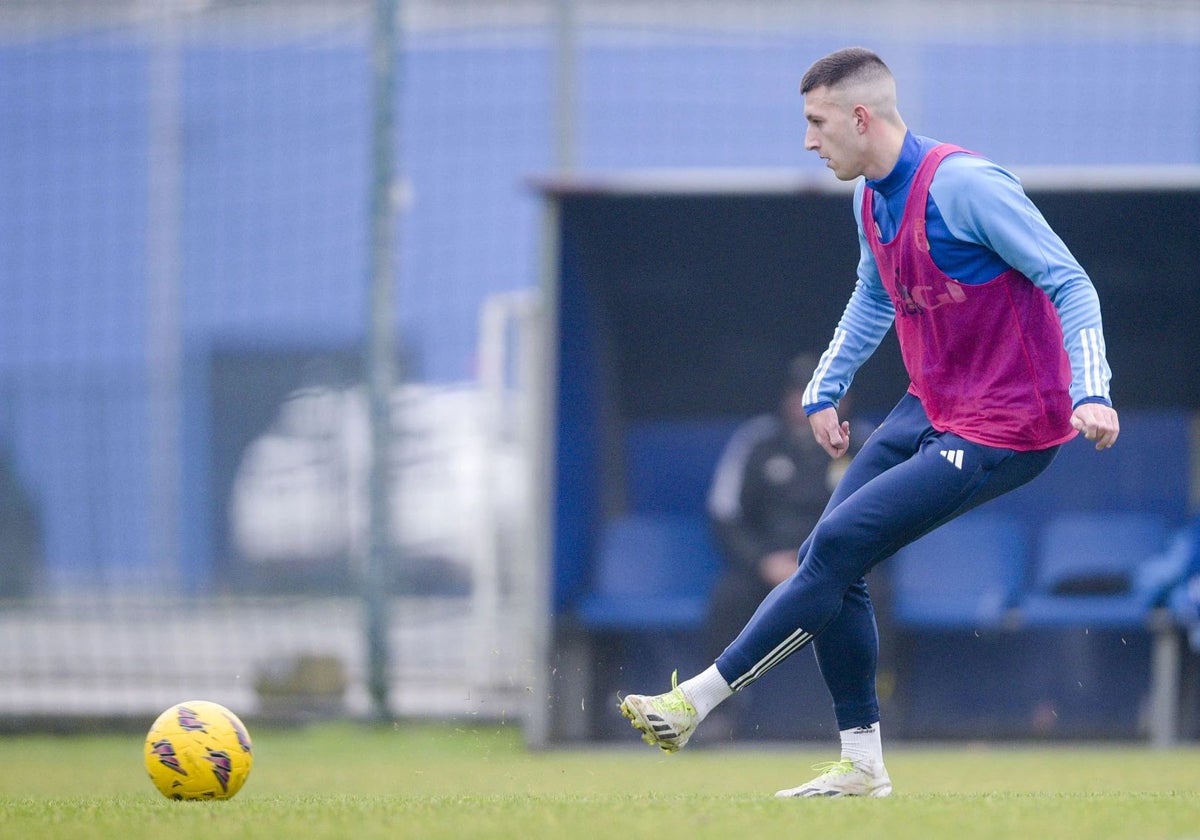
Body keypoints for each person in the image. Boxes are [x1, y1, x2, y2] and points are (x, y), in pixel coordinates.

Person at [618, 46, 1119, 797]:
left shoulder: (965, 186)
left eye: (817, 123)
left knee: (840, 545)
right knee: (834, 556)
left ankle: (695, 701)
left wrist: (1094, 388)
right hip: (933, 405)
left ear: (861, 116)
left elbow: (1069, 280)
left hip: (1008, 426)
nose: (809, 141)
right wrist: (825, 389)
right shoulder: (869, 200)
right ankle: (861, 763)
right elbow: (873, 298)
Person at [701, 354, 861, 739]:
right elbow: (724, 514)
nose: (808, 403)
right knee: (729, 598)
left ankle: (872, 711)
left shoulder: (864, 440)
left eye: (826, 393)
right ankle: (717, 711)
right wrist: (761, 561)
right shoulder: (758, 441)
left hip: (835, 566)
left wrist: (826, 563)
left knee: (874, 597)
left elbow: (879, 514)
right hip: (768, 564)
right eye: (802, 394)